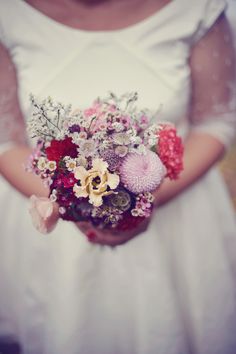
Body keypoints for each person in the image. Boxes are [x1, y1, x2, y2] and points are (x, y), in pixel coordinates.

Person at [0, 0, 236, 353]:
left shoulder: (197, 8)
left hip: (176, 219)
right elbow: (6, 139)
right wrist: (77, 207)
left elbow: (216, 120)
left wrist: (140, 202)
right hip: (55, 224)